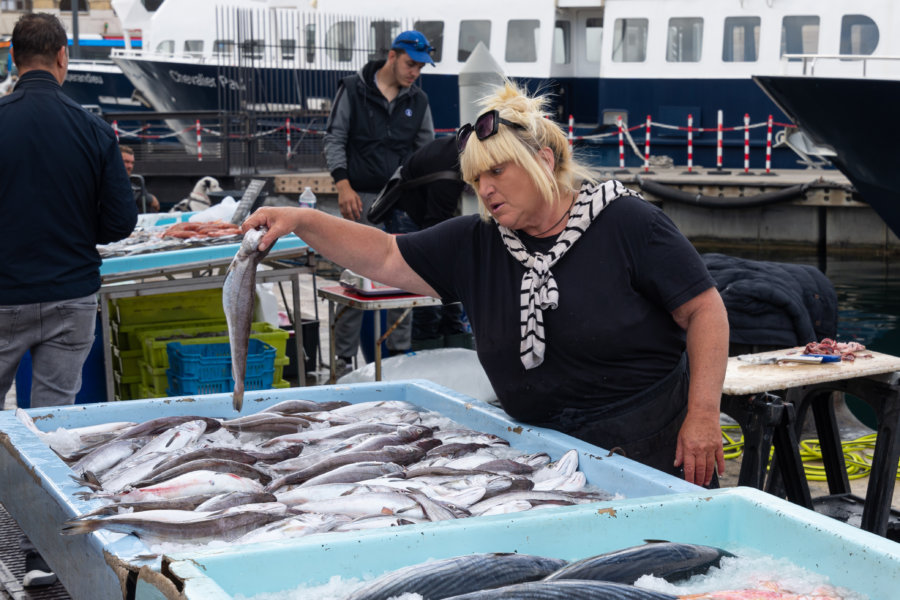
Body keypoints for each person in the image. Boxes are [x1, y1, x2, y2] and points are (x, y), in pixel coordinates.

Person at [242, 80, 729, 488]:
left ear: (543, 159)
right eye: (476, 179)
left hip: (650, 444)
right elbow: (385, 253)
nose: (486, 189)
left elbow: (705, 311)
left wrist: (704, 414)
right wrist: (303, 220)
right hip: (544, 455)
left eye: (497, 170)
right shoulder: (478, 242)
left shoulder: (627, 222)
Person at [0, 13, 137, 588]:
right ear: (62, 58)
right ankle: (38, 559)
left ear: (13, 59)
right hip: (69, 298)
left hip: (2, 295)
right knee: (51, 429)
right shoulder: (92, 131)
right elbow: (119, 224)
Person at [323, 29, 435, 373]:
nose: (415, 72)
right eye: (410, 63)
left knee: (404, 281)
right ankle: (343, 362)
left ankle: (400, 359)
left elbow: (426, 152)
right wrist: (343, 185)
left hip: (401, 203)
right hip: (360, 201)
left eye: (420, 67)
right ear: (392, 55)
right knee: (354, 279)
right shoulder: (353, 89)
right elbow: (335, 138)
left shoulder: (418, 102)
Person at [369, 135, 471, 350]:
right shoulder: (448, 175)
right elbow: (435, 229)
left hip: (425, 205)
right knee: (427, 297)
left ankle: (455, 349)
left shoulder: (460, 144)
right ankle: (420, 354)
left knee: (452, 301)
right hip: (407, 214)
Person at [120, 144, 160, 212]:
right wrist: (151, 199)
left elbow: (155, 204)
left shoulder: (136, 182)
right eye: (126, 162)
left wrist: (150, 198)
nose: (130, 166)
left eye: (132, 163)